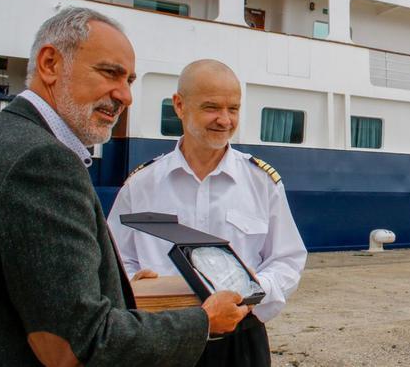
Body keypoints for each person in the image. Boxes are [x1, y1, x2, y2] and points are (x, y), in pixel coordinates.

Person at [0, 7, 250, 366]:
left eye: (130, 81)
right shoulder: (43, 163)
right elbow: (78, 344)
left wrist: (124, 290)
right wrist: (202, 321)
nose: (126, 96)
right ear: (50, 64)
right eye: (110, 73)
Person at [108, 59, 307, 366]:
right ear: (179, 105)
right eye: (212, 107)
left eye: (234, 109)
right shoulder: (141, 185)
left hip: (239, 338)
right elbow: (116, 258)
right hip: (165, 334)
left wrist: (253, 290)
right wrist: (134, 281)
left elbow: (287, 258)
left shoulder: (261, 183)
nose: (224, 120)